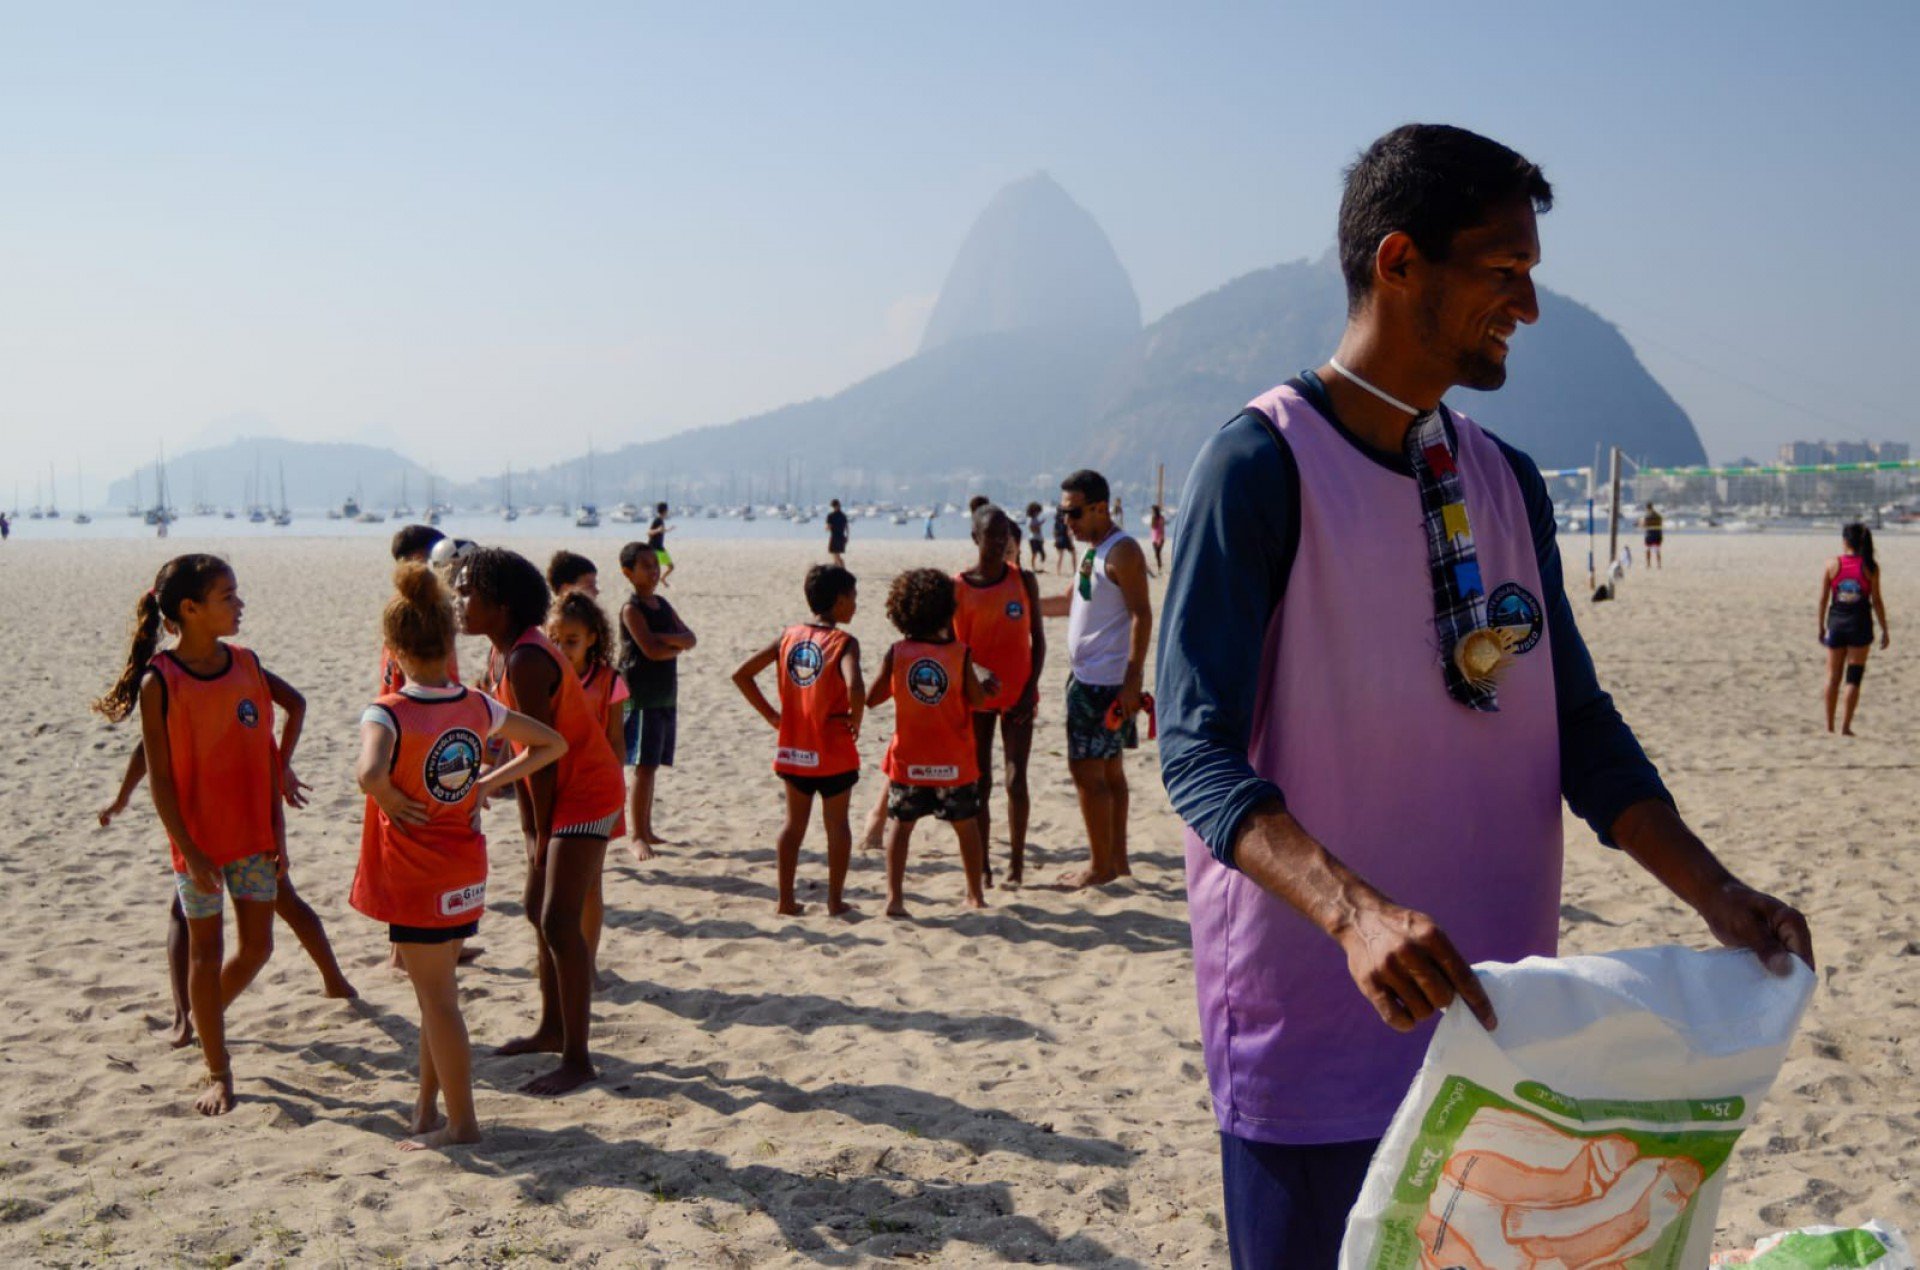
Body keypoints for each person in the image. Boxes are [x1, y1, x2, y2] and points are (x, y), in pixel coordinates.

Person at [1155, 124, 1813, 1268]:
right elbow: (1195, 751)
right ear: (1400, 261)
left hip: (1503, 1039)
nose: (1530, 306)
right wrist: (1357, 915)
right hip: (1318, 1036)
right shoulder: (1259, 465)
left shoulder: (1503, 477)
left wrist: (1717, 892)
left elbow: (1580, 733)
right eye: (1503, 273)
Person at [353, 563, 567, 1150]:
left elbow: (368, 771)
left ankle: (462, 1125)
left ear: (393, 648)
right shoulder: (474, 703)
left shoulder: (389, 710)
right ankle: (426, 1106)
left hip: (419, 872)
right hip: (465, 865)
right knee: (436, 993)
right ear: (449, 645)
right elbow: (552, 742)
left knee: (440, 1002)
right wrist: (485, 783)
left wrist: (392, 797)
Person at [92, 555, 304, 1115]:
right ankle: (218, 1069)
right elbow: (160, 776)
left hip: (256, 834)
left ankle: (206, 1013)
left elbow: (281, 729)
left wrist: (280, 796)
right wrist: (187, 848)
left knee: (258, 948)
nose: (239, 605)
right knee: (204, 958)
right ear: (191, 609)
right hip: (199, 847)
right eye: (227, 596)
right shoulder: (160, 681)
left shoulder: (248, 664)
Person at [455, 547, 626, 1096]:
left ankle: (578, 1058)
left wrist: (544, 829)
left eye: (468, 592)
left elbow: (546, 757)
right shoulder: (506, 655)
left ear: (501, 605)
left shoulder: (528, 659)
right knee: (537, 908)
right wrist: (531, 830)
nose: (458, 601)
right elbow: (526, 752)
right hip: (556, 791)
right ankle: (552, 1027)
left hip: (586, 792)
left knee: (558, 920)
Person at [1038, 470, 1153, 890]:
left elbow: (1142, 613)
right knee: (1109, 774)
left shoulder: (1122, 552)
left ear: (1101, 507)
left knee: (1088, 775)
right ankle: (1117, 864)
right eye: (1063, 511)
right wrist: (1018, 600)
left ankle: (1100, 866)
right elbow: (1069, 603)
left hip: (1105, 683)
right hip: (1089, 679)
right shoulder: (1093, 551)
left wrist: (1132, 679)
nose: (1066, 521)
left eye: (1073, 512)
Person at [731, 564, 865, 916]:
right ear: (838, 601)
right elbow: (854, 686)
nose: (855, 604)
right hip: (833, 749)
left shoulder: (788, 636)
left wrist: (773, 717)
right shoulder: (844, 642)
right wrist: (857, 720)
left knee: (793, 826)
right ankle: (835, 901)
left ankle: (786, 900)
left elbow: (742, 674)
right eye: (853, 597)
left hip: (795, 749)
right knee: (837, 825)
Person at [866, 568, 993, 917]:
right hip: (954, 762)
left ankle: (894, 898)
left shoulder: (898, 652)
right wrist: (985, 687)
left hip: (909, 760)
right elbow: (978, 700)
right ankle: (974, 895)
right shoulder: (960, 653)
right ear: (947, 611)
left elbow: (873, 697)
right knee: (966, 827)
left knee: (900, 828)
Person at [953, 506, 1044, 885]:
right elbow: (953, 646)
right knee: (981, 782)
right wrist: (975, 671)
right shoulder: (958, 586)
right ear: (975, 537)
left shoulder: (1023, 579)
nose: (999, 542)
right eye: (991, 535)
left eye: (1004, 534)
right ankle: (984, 863)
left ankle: (1017, 864)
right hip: (976, 697)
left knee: (1015, 779)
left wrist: (1029, 689)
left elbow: (1037, 639)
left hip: (1020, 694)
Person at [549, 591, 629, 980]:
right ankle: (556, 962)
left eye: (572, 641)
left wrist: (616, 789)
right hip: (557, 789)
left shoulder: (608, 680)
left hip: (596, 793)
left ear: (593, 638)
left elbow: (616, 739)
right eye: (556, 641)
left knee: (590, 884)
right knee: (551, 882)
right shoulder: (545, 678)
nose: (563, 649)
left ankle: (589, 963)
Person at [617, 540, 697, 858]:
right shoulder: (631, 609)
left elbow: (690, 638)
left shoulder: (661, 605)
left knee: (653, 765)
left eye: (655, 565)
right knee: (643, 766)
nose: (653, 571)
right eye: (646, 566)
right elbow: (649, 650)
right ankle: (637, 835)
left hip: (665, 694)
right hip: (641, 696)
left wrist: (667, 641)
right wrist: (670, 646)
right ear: (628, 572)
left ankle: (647, 829)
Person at [1820, 521, 1889, 735]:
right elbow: (1876, 600)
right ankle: (1845, 727)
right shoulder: (1870, 567)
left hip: (1837, 624)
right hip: (1860, 625)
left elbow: (1823, 600)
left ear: (1844, 541)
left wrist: (1820, 626)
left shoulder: (1832, 564)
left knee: (1832, 677)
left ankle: (1829, 726)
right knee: (1854, 677)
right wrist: (1885, 629)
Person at [382, 524, 459, 695]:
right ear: (420, 559)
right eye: (440, 559)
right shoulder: (428, 614)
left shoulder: (396, 610)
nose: (445, 568)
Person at [647, 503, 674, 583]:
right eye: (667, 510)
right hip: (654, 548)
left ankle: (662, 578)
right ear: (665, 511)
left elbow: (661, 530)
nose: (668, 512)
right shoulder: (657, 520)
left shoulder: (661, 520)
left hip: (660, 547)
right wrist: (658, 530)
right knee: (655, 568)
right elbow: (649, 532)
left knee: (671, 567)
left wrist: (668, 530)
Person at [825, 499, 850, 567]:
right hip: (841, 537)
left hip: (835, 537)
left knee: (836, 556)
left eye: (833, 506)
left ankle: (842, 569)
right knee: (835, 555)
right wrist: (847, 537)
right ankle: (837, 569)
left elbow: (828, 527)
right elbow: (847, 527)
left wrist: (827, 528)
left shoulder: (830, 516)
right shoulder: (843, 515)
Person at [1641, 503, 1665, 569]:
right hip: (1658, 534)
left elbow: (1644, 525)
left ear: (1647, 508)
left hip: (1649, 535)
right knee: (1657, 550)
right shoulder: (1658, 515)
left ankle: (1648, 565)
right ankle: (1659, 565)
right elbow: (1660, 523)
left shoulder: (1647, 516)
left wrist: (1639, 524)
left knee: (1648, 550)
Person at [1051, 504, 1072, 575]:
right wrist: (1070, 539)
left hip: (1058, 538)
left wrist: (1055, 539)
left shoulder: (1056, 519)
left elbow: (1054, 531)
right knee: (1073, 554)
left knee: (1060, 556)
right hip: (1065, 538)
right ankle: (1075, 570)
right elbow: (1068, 531)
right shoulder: (1065, 518)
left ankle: (1058, 571)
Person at [1025, 502, 1047, 569]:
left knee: (1041, 553)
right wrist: (1039, 524)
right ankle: (1033, 567)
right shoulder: (1031, 519)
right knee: (1034, 553)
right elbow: (1032, 529)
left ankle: (1038, 566)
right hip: (1033, 538)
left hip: (1038, 538)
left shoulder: (1035, 519)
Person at [1149, 505, 1167, 576]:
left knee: (1158, 553)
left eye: (1152, 510)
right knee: (1156, 554)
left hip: (1160, 538)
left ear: (1155, 511)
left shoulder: (1161, 518)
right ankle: (1159, 567)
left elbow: (1162, 528)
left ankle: (1159, 568)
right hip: (1154, 538)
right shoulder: (1153, 518)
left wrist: (1161, 538)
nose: (1151, 512)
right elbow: (1152, 528)